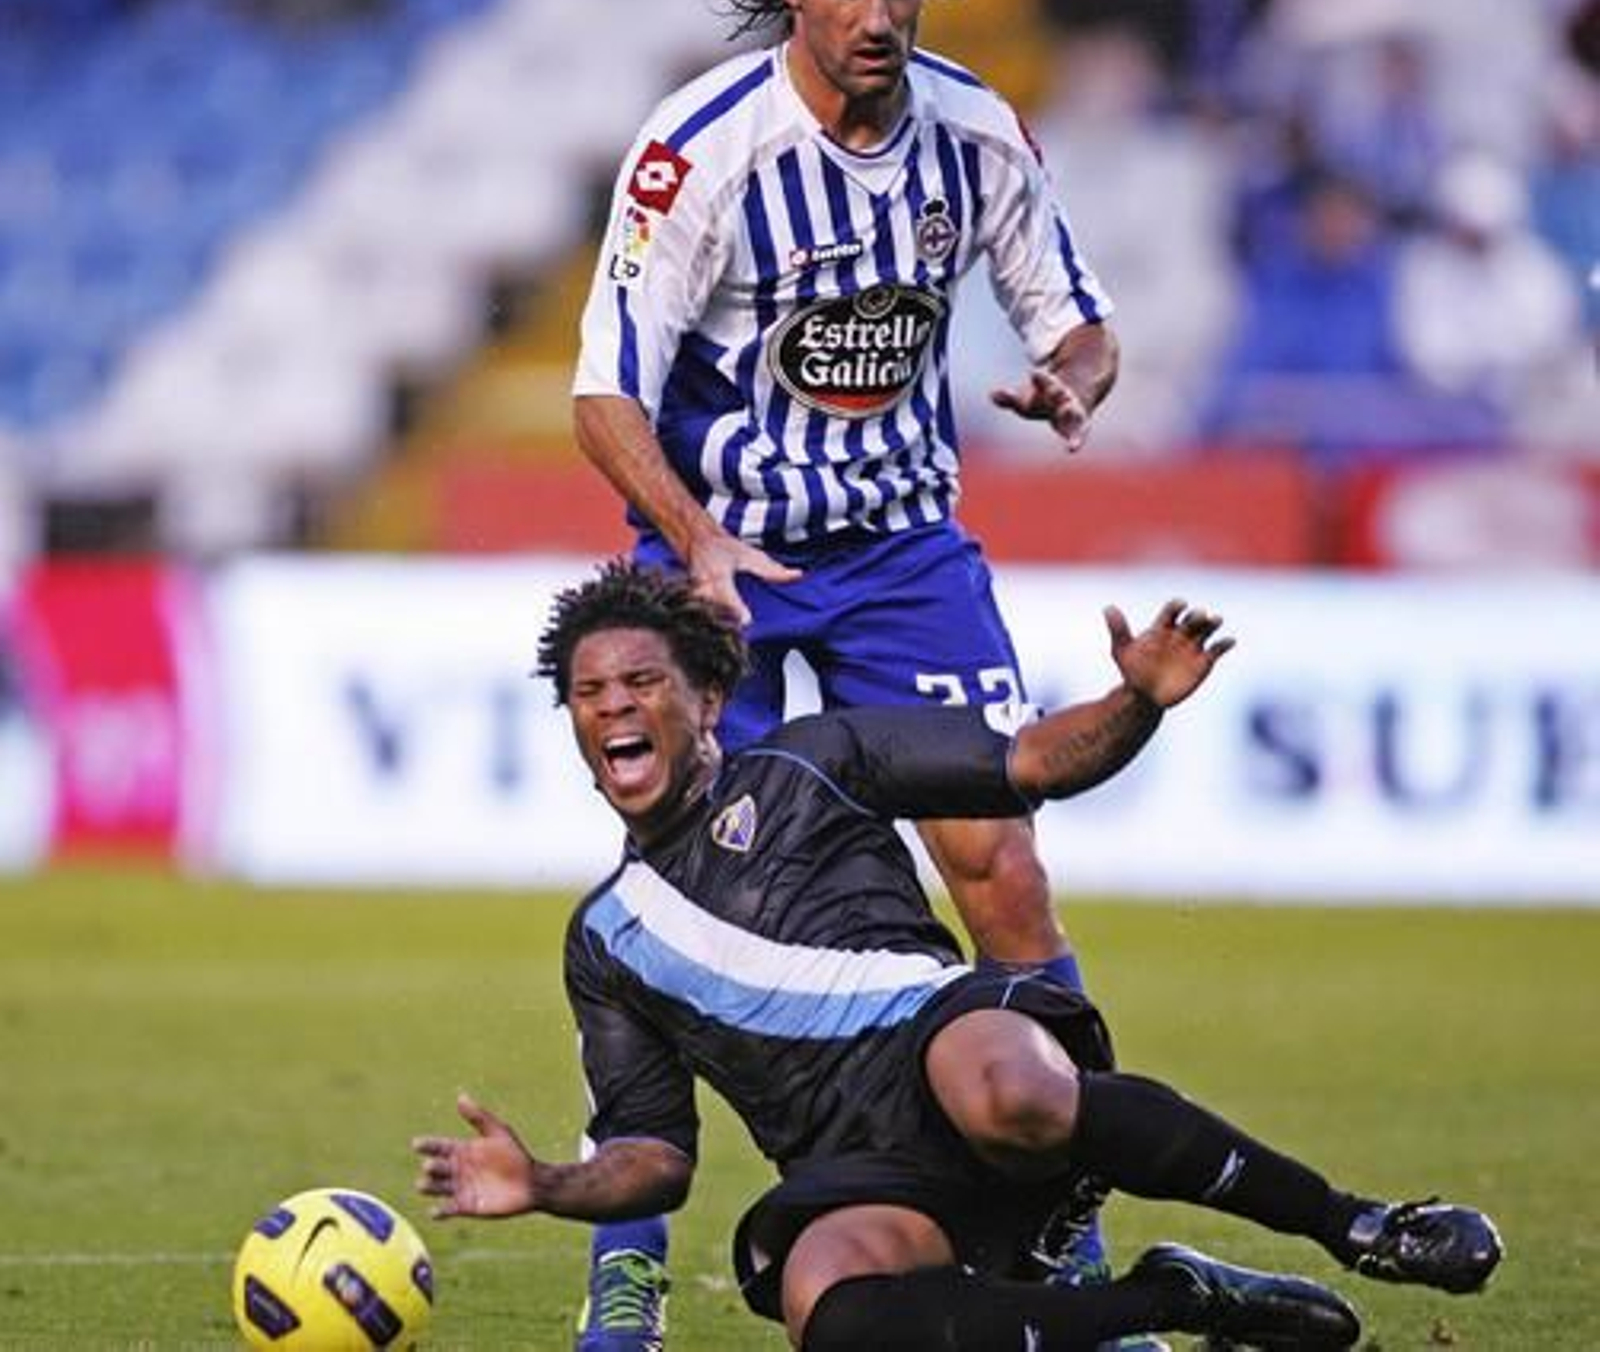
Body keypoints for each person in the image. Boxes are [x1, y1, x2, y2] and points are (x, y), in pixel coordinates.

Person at [411, 562, 1504, 1352]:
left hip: (948, 1038)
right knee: (823, 1301)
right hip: (862, 1170)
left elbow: (1030, 761)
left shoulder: (813, 760)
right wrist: (549, 1182)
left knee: (1000, 1085)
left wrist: (1134, 704)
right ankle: (1168, 1301)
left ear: (705, 697)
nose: (613, 706)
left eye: (640, 682)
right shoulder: (607, 937)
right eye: (589, 694)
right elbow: (658, 1152)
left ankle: (1354, 1221)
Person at [571, 0, 1121, 1338]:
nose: (877, 12)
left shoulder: (975, 130)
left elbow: (1080, 322)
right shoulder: (699, 150)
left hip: (899, 553)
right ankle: (627, 1257)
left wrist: (1072, 381)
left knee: (1002, 869)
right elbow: (601, 396)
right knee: (680, 900)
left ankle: (1068, 1216)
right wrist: (698, 542)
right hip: (719, 561)